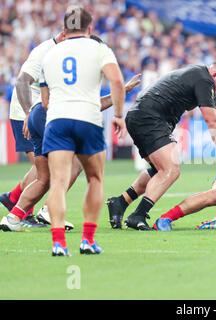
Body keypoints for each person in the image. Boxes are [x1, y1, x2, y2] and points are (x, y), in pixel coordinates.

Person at [0, 70, 140, 232]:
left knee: (43, 178)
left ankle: (13, 217)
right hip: (52, 116)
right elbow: (94, 104)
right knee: (76, 162)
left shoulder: (65, 62)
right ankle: (49, 210)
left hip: (38, 112)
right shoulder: (84, 70)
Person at [106, 60, 216, 231]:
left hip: (140, 116)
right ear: (215, 74)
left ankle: (120, 202)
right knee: (171, 169)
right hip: (150, 118)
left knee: (160, 170)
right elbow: (212, 121)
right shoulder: (204, 80)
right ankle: (138, 215)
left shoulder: (200, 76)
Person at [40, 6, 125, 256]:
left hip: (57, 120)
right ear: (90, 28)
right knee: (95, 178)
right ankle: (87, 240)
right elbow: (117, 81)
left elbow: (45, 101)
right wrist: (119, 115)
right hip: (88, 118)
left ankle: (58, 243)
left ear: (64, 29)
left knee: (58, 181)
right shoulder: (99, 49)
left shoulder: (50, 54)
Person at [0, 33, 67, 227]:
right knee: (44, 172)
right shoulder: (43, 51)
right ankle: (24, 212)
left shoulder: (60, 50)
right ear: (63, 34)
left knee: (42, 167)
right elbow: (21, 82)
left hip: (37, 111)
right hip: (26, 113)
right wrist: (28, 113)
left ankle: (13, 198)